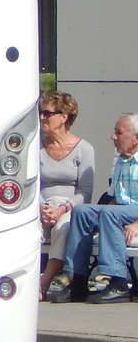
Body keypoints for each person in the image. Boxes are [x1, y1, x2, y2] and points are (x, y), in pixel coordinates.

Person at [50, 113, 138, 304]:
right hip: (119, 212)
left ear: (135, 138)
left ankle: (119, 283)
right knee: (82, 212)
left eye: (118, 133)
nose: (112, 137)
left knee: (108, 213)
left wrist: (136, 224)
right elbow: (111, 198)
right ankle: (78, 281)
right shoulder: (122, 160)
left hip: (133, 212)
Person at [38, 92, 94, 300]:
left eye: (47, 113)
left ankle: (43, 283)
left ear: (64, 117)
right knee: (25, 229)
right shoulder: (36, 147)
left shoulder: (84, 149)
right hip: (41, 205)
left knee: (64, 227)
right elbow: (31, 183)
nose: (42, 117)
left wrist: (61, 209)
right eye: (41, 112)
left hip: (68, 207)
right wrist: (42, 207)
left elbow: (85, 192)